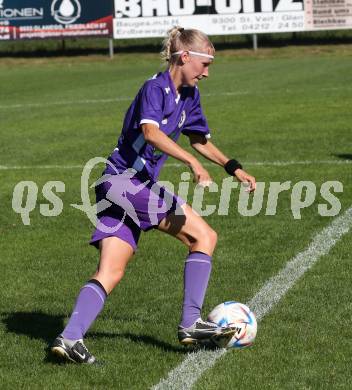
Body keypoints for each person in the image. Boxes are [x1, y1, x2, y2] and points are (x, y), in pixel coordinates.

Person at [51, 26, 256, 364]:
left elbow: (199, 139)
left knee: (111, 270)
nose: (207, 72)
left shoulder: (189, 96)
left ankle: (70, 338)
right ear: (185, 57)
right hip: (125, 183)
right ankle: (190, 323)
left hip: (121, 188)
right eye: (205, 64)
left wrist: (232, 167)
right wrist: (191, 163)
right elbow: (150, 132)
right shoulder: (155, 88)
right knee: (204, 236)